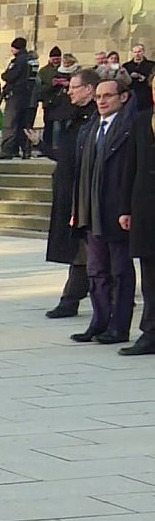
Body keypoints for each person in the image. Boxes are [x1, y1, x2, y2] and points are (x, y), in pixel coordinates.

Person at [69, 78, 135, 345]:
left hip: (115, 211)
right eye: (98, 96)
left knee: (119, 270)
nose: (102, 101)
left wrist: (127, 208)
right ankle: (99, 320)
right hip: (90, 210)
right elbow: (81, 173)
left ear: (124, 97)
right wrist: (77, 208)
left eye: (108, 95)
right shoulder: (89, 129)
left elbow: (131, 173)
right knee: (96, 270)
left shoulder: (129, 128)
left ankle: (119, 326)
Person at [29, 69, 98, 320]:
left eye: (74, 87)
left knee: (88, 247)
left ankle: (72, 299)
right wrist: (40, 145)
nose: (69, 91)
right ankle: (86, 296)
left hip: (85, 190)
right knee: (81, 246)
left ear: (89, 89)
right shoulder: (75, 116)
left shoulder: (95, 119)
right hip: (68, 187)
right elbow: (66, 154)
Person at [118, 97, 155, 354]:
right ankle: (150, 331)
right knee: (150, 274)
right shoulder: (141, 120)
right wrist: (125, 209)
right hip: (146, 207)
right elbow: (129, 166)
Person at [0, 37, 37, 160]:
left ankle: (8, 150)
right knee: (22, 124)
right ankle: (25, 150)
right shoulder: (31, 60)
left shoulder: (19, 60)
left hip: (15, 94)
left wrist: (4, 75)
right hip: (26, 96)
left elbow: (9, 75)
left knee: (10, 123)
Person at [123, 44, 155, 112]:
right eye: (135, 52)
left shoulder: (152, 65)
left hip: (146, 98)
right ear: (132, 53)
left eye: (139, 51)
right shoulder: (126, 66)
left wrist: (145, 78)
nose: (137, 54)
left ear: (143, 52)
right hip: (130, 97)